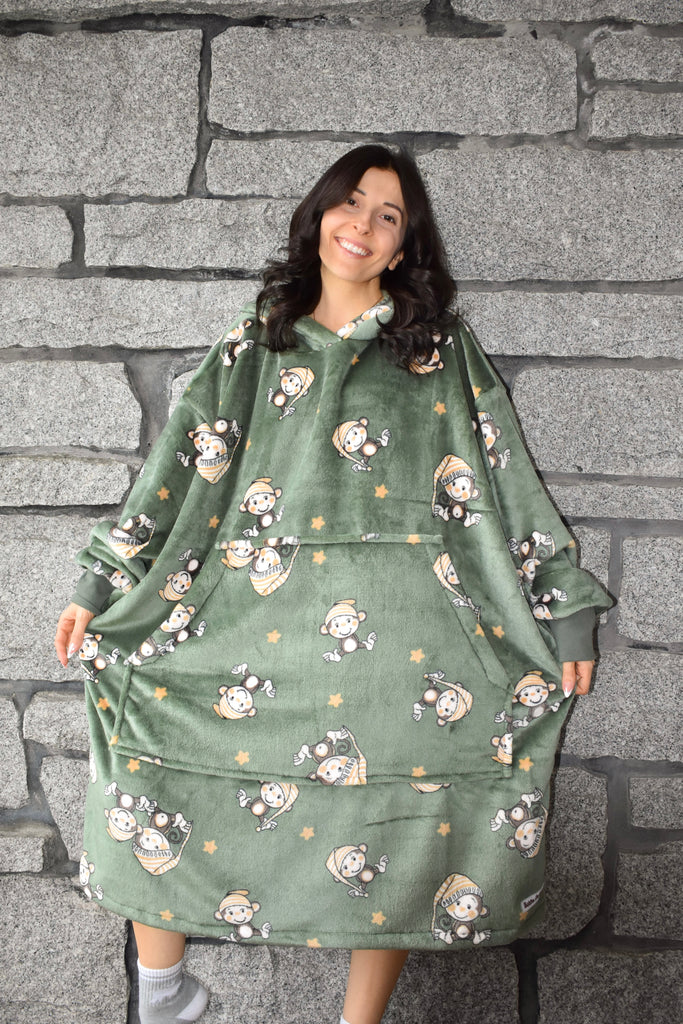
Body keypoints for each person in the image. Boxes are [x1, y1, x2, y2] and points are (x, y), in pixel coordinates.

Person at [55, 144, 611, 1024]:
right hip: (251, 625)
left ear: (404, 245)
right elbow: (180, 461)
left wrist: (565, 603)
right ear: (318, 216)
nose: (363, 225)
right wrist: (102, 581)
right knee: (150, 753)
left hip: (404, 644)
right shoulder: (254, 342)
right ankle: (164, 996)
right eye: (350, 203)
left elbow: (504, 474)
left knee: (392, 817)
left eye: (388, 215)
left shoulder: (438, 350)